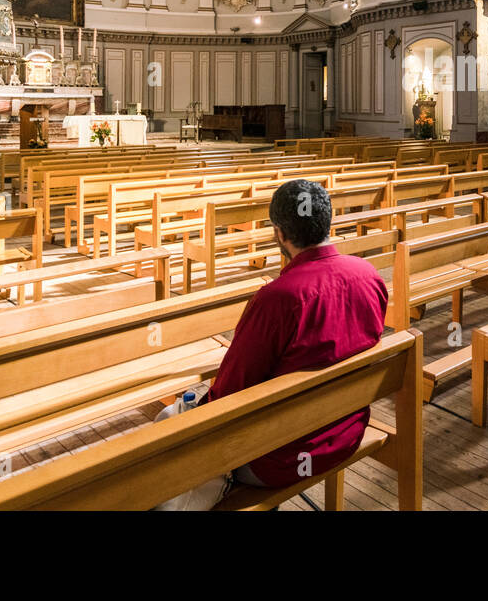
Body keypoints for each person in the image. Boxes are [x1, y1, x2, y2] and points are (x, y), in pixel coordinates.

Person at [155, 179, 389, 510]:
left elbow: (231, 394)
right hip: (345, 430)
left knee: (169, 424)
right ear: (327, 222)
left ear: (279, 233)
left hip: (277, 455)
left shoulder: (279, 298)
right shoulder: (369, 276)